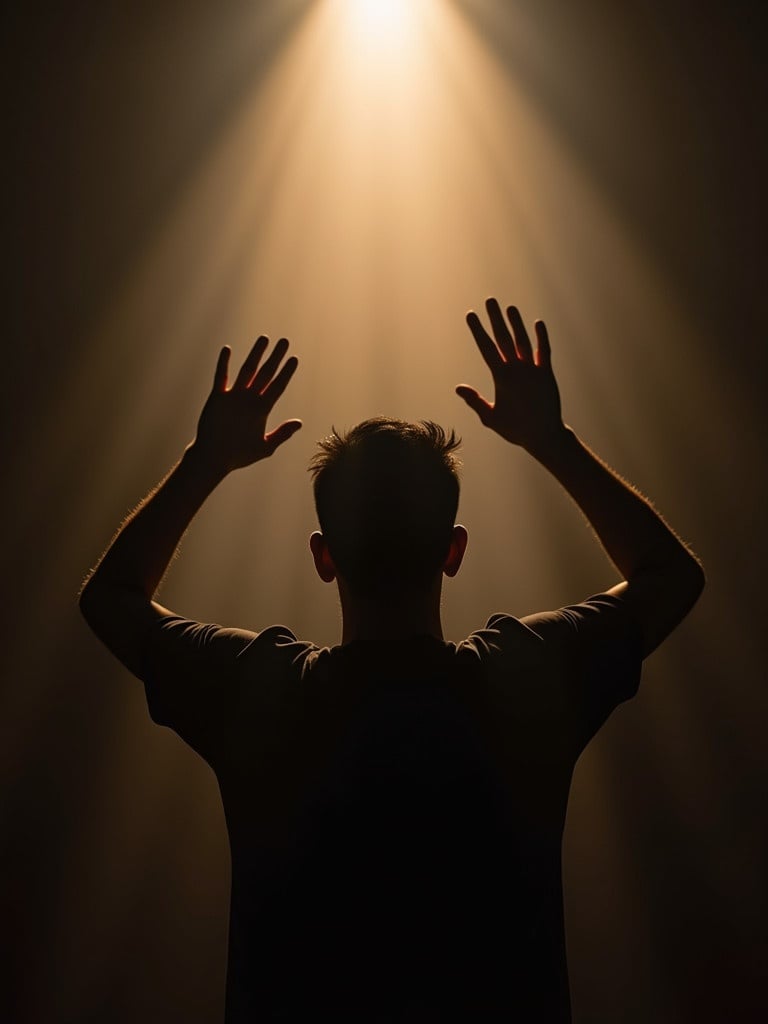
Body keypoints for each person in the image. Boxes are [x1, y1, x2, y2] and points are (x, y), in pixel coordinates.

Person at [80, 299, 705, 1023]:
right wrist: (552, 440)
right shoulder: (523, 680)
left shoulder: (260, 693)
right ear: (454, 551)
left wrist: (205, 462)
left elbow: (111, 600)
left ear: (323, 558)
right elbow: (671, 577)